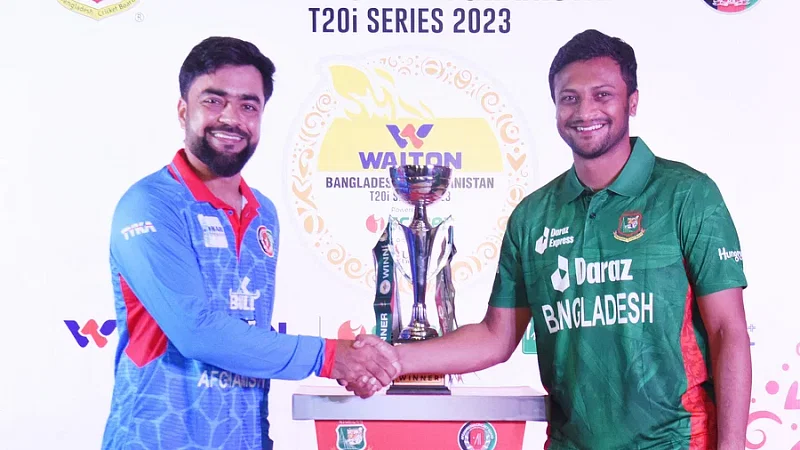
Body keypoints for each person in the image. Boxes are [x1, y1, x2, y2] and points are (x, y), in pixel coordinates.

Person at [354, 29, 752, 449]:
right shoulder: (534, 215)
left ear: (632, 102)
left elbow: (729, 330)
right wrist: (394, 357)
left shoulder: (687, 195)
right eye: (570, 98)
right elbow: (497, 336)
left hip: (676, 442)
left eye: (602, 95)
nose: (585, 111)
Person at [100, 36, 399, 450]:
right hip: (155, 437)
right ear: (183, 110)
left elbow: (247, 339)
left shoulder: (264, 213)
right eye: (213, 100)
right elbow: (197, 332)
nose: (231, 118)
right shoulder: (150, 204)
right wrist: (330, 356)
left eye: (248, 106)